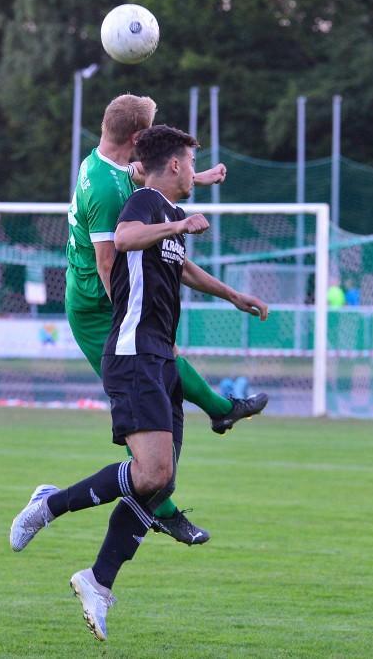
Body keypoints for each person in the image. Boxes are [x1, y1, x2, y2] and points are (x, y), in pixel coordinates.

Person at [10, 125, 269, 641]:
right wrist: (179, 227)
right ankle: (50, 505)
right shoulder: (145, 202)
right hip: (133, 355)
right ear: (173, 166)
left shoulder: (165, 214)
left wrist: (232, 295)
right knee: (150, 473)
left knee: (161, 481)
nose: (195, 173)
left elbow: (181, 267)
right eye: (192, 164)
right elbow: (126, 238)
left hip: (160, 357)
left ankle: (98, 582)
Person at [63, 94, 267, 545]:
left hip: (111, 301)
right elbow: (106, 262)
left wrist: (198, 177)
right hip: (98, 307)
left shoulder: (110, 167)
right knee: (149, 417)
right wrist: (138, 322)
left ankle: (219, 411)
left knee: (164, 388)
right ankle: (167, 508)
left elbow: (142, 173)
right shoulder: (107, 189)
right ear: (136, 138)